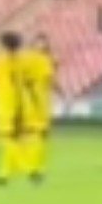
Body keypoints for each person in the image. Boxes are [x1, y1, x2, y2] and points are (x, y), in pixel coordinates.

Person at [20, 33, 60, 183]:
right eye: (40, 43)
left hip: (35, 100)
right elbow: (50, 79)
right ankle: (34, 168)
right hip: (36, 101)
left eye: (45, 43)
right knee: (39, 134)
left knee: (36, 134)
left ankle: (32, 165)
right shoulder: (41, 60)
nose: (43, 45)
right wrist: (61, 92)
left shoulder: (32, 59)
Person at [0, 32, 25, 185]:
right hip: (21, 101)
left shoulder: (0, 62)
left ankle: (7, 171)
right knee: (15, 136)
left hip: (5, 103)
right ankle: (14, 166)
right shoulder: (25, 61)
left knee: (5, 138)